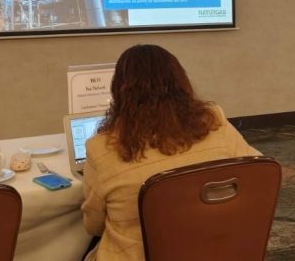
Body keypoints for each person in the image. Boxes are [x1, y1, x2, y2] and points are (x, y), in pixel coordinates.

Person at [80, 44, 260, 261]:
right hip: (213, 248)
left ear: (118, 91)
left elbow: (93, 226)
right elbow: (258, 172)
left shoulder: (100, 148)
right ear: (181, 82)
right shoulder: (213, 121)